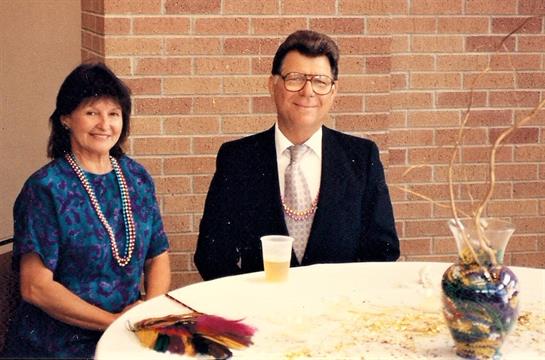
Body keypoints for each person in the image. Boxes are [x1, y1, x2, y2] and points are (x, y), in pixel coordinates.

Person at [194, 30, 399, 281]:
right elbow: (211, 255)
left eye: (320, 82)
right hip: (261, 312)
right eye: (295, 78)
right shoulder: (237, 159)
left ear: (333, 91)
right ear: (273, 84)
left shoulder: (361, 157)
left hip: (339, 310)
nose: (308, 91)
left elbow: (383, 250)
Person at [2, 62, 171, 358]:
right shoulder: (46, 188)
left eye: (114, 114)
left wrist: (149, 314)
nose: (104, 125)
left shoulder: (137, 178)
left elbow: (158, 256)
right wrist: (115, 324)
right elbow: (35, 287)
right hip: (59, 343)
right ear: (66, 118)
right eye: (92, 113)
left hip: (129, 332)